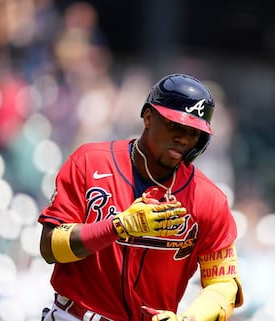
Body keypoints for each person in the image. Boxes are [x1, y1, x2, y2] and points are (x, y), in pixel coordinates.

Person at [38, 73, 243, 321]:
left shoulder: (209, 199)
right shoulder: (89, 162)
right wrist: (117, 226)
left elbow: (223, 283)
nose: (183, 138)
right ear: (148, 117)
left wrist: (189, 320)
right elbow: (49, 248)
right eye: (174, 125)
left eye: (193, 132)